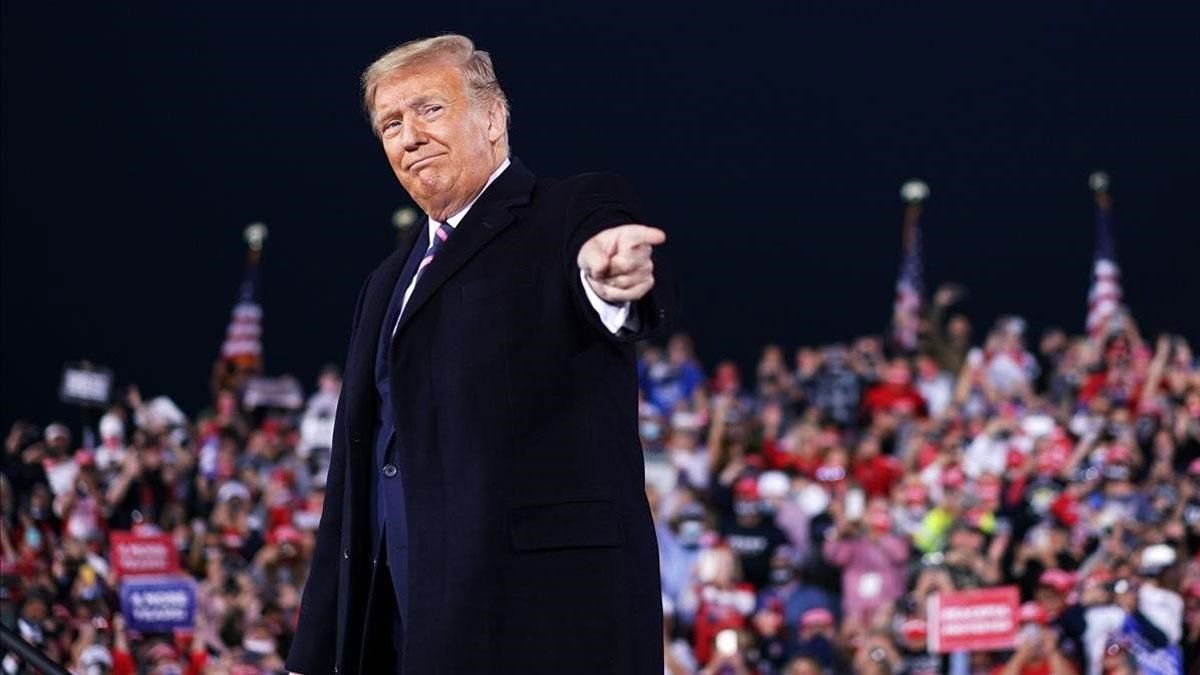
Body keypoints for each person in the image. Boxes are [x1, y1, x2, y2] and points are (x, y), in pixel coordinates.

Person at [286, 34, 675, 674]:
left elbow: (614, 262)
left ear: (492, 118)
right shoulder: (385, 281)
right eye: (390, 123)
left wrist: (612, 281)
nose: (408, 136)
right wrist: (315, 650)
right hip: (399, 623)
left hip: (540, 618)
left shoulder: (566, 211)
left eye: (429, 110)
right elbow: (353, 473)